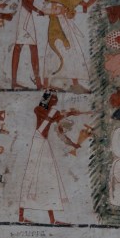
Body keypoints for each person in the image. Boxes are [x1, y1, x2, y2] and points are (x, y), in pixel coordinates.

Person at [18, 91, 85, 225]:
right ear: (47, 99)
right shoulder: (38, 109)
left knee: (50, 180)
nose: (55, 100)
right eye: (53, 98)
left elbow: (60, 132)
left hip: (44, 143)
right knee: (30, 178)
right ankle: (21, 217)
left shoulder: (54, 113)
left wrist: (73, 144)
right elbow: (50, 117)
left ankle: (52, 219)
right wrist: (67, 113)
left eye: (56, 99)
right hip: (38, 142)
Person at [12, 0, 48, 90]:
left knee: (32, 48)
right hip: (24, 15)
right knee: (19, 47)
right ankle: (14, 82)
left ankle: (38, 83)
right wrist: (38, 11)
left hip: (29, 16)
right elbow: (25, 2)